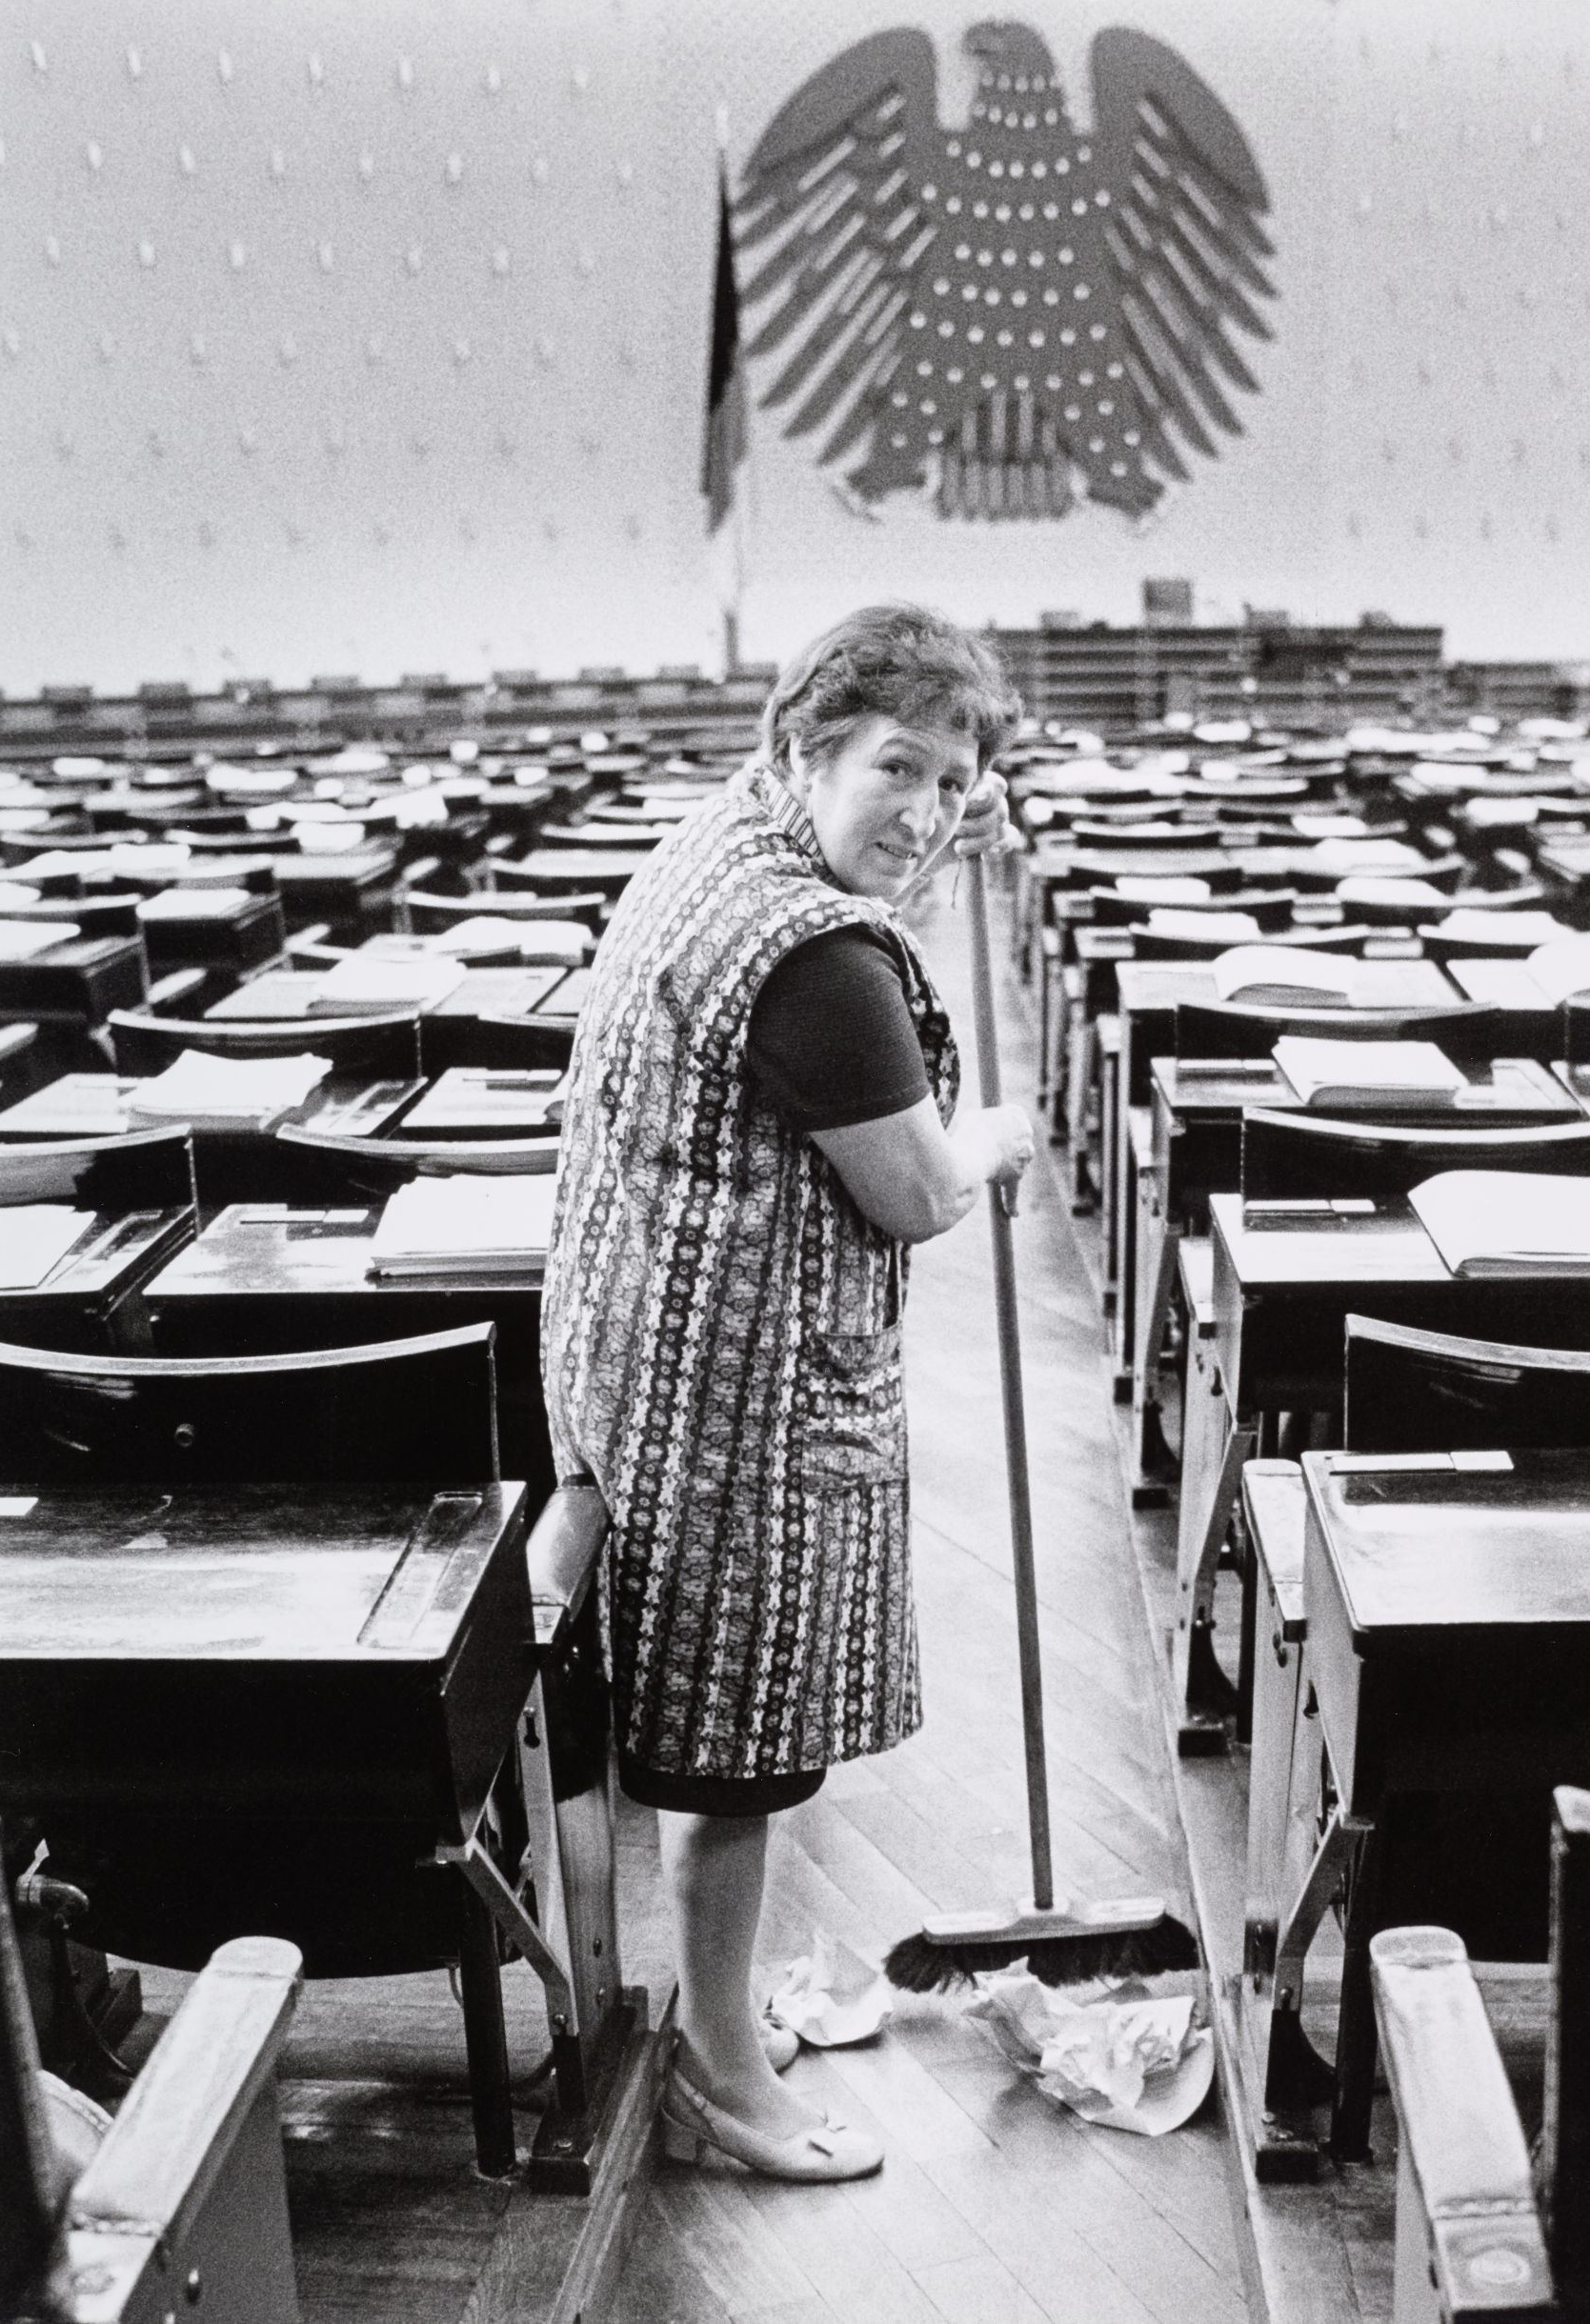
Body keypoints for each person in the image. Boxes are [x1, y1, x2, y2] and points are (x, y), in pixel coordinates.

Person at [541, 604, 1034, 2183]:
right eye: (900, 763)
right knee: (732, 1761)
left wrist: (909, 838)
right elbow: (915, 1192)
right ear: (808, 746)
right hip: (733, 1410)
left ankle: (712, 2020)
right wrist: (1000, 1134)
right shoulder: (815, 960)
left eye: (957, 781)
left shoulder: (720, 845)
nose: (929, 805)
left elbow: (868, 857)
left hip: (636, 1364)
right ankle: (723, 2071)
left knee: (700, 1744)